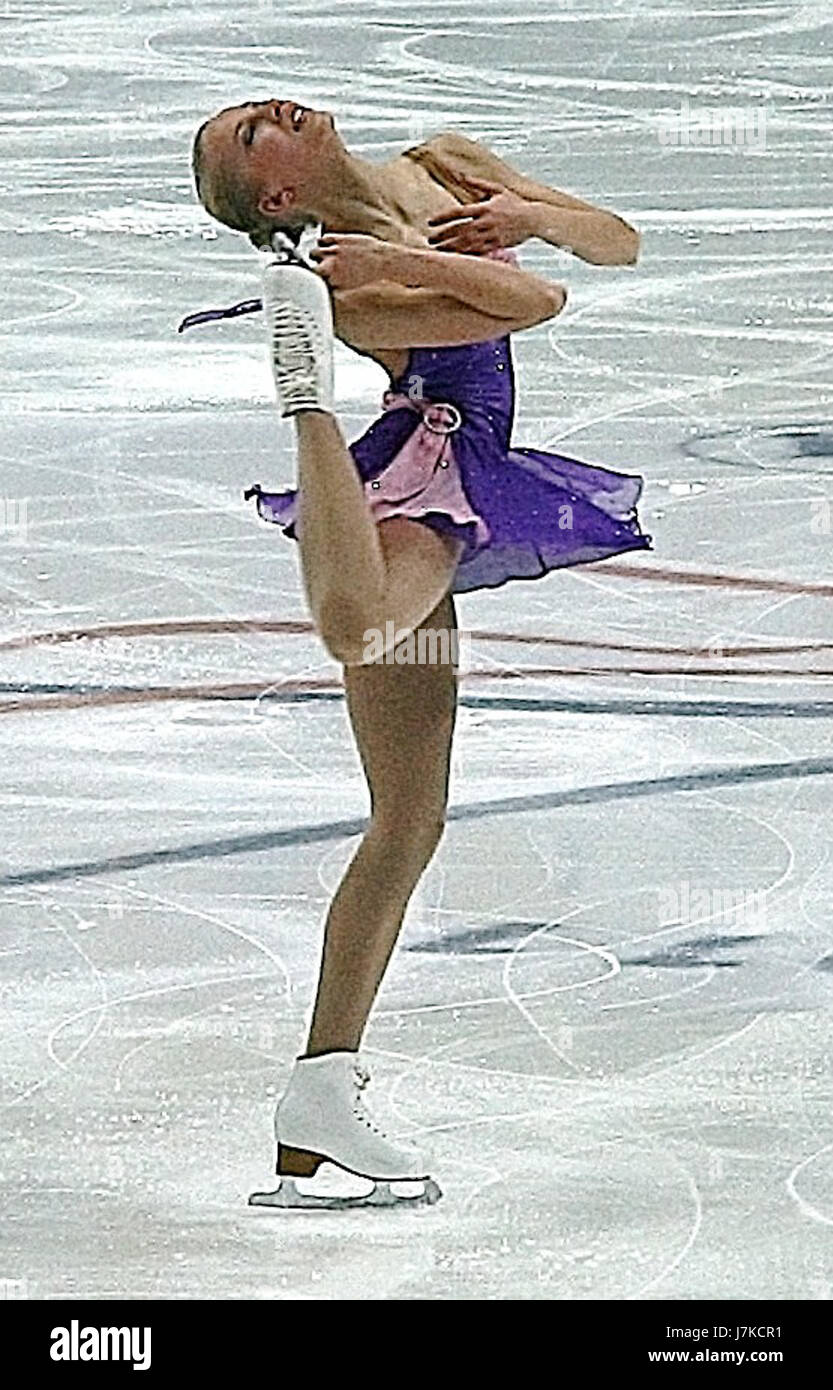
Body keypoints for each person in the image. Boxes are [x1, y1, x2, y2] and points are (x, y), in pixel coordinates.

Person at [189, 99, 651, 1209]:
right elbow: (535, 299)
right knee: (360, 623)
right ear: (281, 195)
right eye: (250, 134)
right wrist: (490, 245)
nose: (268, 109)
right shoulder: (348, 289)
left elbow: (614, 240)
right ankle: (304, 409)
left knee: (407, 816)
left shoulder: (442, 162)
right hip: (419, 474)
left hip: (464, 465)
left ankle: (319, 1091)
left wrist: (526, 207)